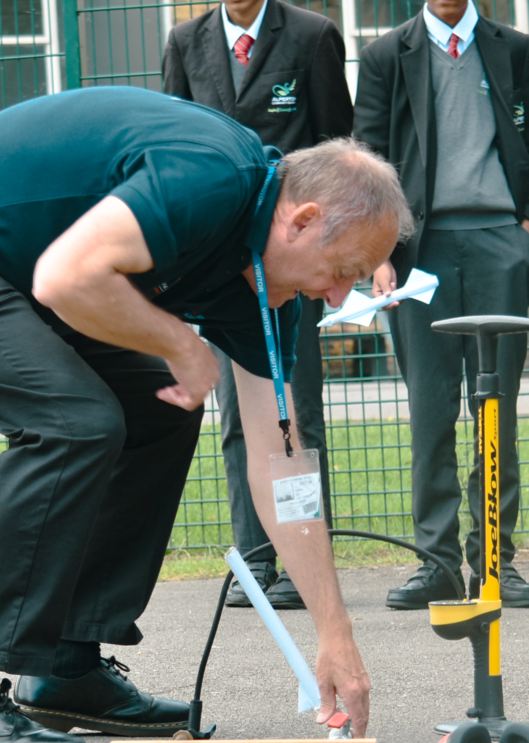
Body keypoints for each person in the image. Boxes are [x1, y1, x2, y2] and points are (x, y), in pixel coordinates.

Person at [0, 88, 410, 743]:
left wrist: (334, 633)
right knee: (74, 423)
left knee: (157, 408)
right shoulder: (210, 174)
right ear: (303, 219)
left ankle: (64, 666)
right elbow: (67, 276)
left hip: (1, 270)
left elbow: (279, 459)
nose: (339, 298)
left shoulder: (268, 295)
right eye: (344, 270)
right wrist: (181, 344)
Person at [163, 0, 352, 609]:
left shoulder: (312, 35)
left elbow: (338, 150)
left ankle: (300, 563)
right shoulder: (185, 41)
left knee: (294, 409)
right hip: (220, 262)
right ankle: (254, 563)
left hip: (293, 255)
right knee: (235, 418)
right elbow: (174, 146)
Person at [354, 0, 529, 610]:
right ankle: (438, 564)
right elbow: (366, 159)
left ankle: (495, 563)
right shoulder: (385, 57)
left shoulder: (515, 48)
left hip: (501, 246)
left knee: (497, 411)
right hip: (415, 255)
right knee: (431, 413)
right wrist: (378, 254)